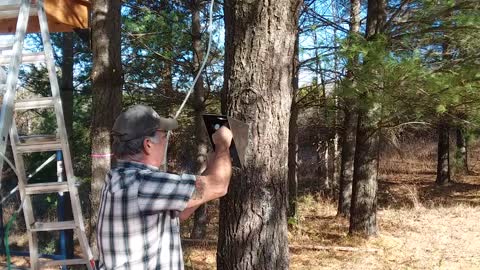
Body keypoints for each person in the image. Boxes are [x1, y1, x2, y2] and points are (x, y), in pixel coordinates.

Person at [96, 104, 232, 270]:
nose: (167, 140)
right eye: (164, 136)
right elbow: (219, 186)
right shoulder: (144, 183)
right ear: (148, 144)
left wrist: (214, 164)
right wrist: (223, 144)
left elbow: (180, 212)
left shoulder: (118, 176)